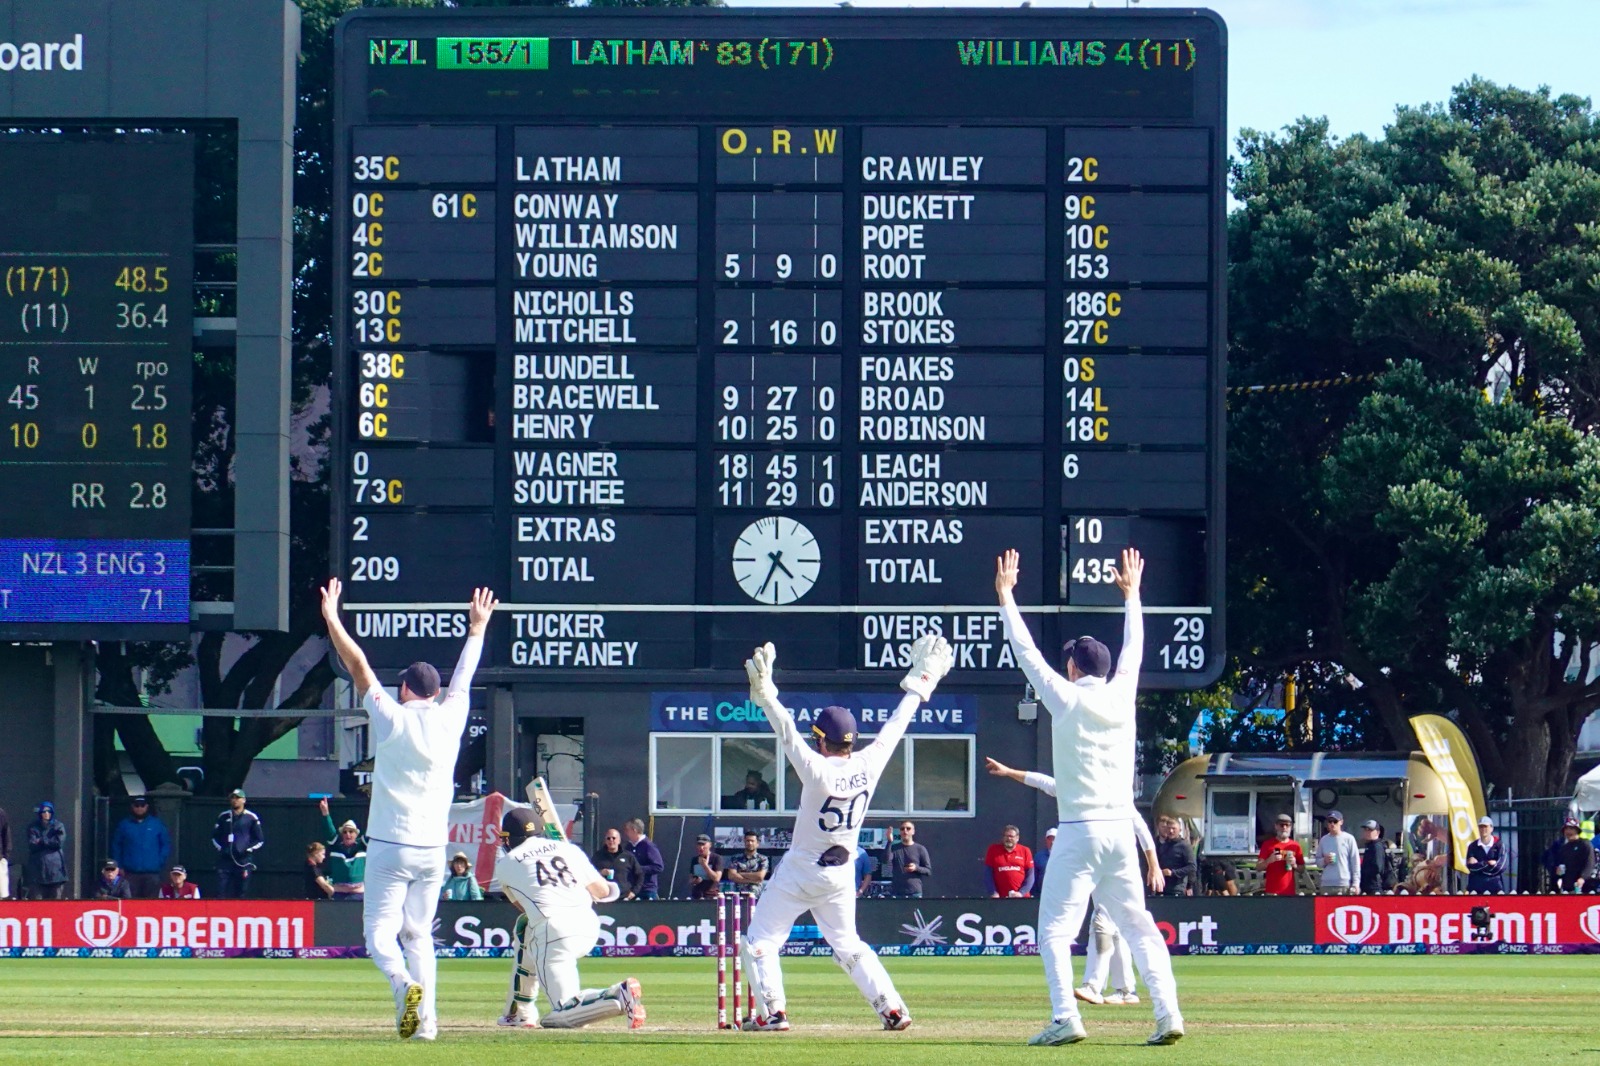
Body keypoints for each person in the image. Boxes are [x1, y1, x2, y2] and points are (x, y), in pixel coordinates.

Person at [996, 546, 1184, 1046]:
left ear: (1075, 669)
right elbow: (1135, 646)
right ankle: (1168, 1014)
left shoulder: (1066, 696)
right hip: (1121, 832)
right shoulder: (1123, 692)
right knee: (1140, 927)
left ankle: (1065, 1016)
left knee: (1054, 933)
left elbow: (1026, 652)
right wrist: (1134, 595)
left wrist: (1006, 597)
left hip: (1079, 831)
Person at [738, 634, 954, 1032]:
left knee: (758, 942)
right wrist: (921, 682)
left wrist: (767, 695)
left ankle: (773, 1013)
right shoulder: (869, 762)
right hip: (840, 874)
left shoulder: (817, 770)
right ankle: (893, 1009)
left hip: (800, 869)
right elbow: (896, 725)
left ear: (821, 740)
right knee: (849, 945)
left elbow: (787, 733)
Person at [321, 577, 497, 1042]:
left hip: (388, 847)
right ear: (434, 694)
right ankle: (428, 1025)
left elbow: (357, 665)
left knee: (379, 937)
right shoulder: (451, 716)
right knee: (420, 936)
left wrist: (333, 618)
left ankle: (402, 985)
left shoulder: (393, 718)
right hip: (432, 850)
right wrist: (476, 629)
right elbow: (465, 675)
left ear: (403, 690)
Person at [983, 757, 1161, 1010]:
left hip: (1117, 868)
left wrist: (1153, 865)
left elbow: (1141, 829)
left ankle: (1095, 986)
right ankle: (1124, 989)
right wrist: (1010, 770)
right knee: (1114, 928)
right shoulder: (1077, 790)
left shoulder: (1115, 797)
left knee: (1106, 924)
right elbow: (1042, 781)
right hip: (1103, 867)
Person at [495, 808, 645, 1030]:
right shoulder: (569, 850)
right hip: (588, 925)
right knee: (525, 931)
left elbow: (522, 906)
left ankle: (618, 994)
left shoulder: (506, 863)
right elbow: (603, 891)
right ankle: (518, 1012)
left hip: (553, 931)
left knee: (560, 1015)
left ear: (512, 838)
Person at [111, 796, 171, 899]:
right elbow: (116, 846)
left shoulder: (156, 824)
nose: (139, 808)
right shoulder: (124, 825)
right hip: (130, 873)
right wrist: (119, 866)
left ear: (147, 807)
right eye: (137, 805)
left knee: (151, 903)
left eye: (142, 805)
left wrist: (159, 862)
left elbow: (165, 845)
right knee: (130, 903)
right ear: (132, 807)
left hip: (152, 873)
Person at [211, 789, 264, 899]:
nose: (235, 800)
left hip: (243, 861)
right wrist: (222, 849)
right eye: (233, 798)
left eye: (238, 798)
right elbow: (215, 836)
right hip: (225, 860)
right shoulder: (223, 816)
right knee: (220, 890)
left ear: (243, 800)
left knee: (241, 891)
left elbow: (259, 839)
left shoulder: (251, 817)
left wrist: (247, 849)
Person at [319, 798, 368, 901]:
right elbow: (330, 831)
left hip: (359, 895)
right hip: (339, 895)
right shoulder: (336, 845)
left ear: (356, 834)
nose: (348, 834)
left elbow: (372, 830)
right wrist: (325, 813)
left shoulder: (362, 845)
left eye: (351, 831)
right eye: (345, 832)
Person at [26, 801, 67, 900]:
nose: (46, 814)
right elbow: (32, 844)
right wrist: (49, 841)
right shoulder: (33, 827)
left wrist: (41, 840)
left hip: (56, 873)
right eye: (44, 811)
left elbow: (58, 843)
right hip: (38, 872)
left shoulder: (58, 826)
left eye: (49, 811)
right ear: (40, 813)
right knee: (37, 903)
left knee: (55, 904)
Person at [591, 828, 643, 901]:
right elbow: (589, 875)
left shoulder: (628, 856)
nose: (611, 840)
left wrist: (634, 892)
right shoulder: (598, 856)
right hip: (605, 898)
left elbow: (640, 875)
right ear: (605, 841)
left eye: (614, 838)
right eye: (608, 838)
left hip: (624, 898)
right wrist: (600, 872)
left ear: (619, 840)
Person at [1315, 811, 1361, 895]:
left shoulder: (1349, 839)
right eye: (1330, 821)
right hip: (1326, 883)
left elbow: (1355, 863)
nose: (1332, 824)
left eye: (1335, 821)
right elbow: (1318, 862)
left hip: (1344, 884)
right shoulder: (1323, 840)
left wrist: (1356, 884)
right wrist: (1324, 860)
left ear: (1341, 822)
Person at [884, 820, 932, 898]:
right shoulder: (895, 848)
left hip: (914, 892)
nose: (905, 831)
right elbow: (885, 860)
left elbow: (928, 871)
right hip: (897, 892)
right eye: (902, 829)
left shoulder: (920, 849)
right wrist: (889, 841)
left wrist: (916, 868)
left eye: (908, 828)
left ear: (913, 831)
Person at [985, 825, 1036, 898]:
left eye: (1011, 836)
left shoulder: (1025, 851)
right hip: (999, 898)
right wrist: (993, 892)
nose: (1008, 838)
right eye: (1006, 836)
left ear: (1017, 838)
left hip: (1022, 898)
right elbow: (988, 874)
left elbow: (1030, 876)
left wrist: (1021, 893)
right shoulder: (993, 850)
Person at [1259, 814, 1303, 896]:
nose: (1284, 828)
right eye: (1281, 825)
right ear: (1276, 826)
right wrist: (1269, 860)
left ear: (1291, 827)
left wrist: (1294, 864)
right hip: (1271, 891)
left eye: (1287, 825)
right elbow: (1258, 867)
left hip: (1289, 891)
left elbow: (1302, 869)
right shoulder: (1267, 844)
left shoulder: (1295, 845)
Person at [621, 819, 665, 900]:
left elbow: (658, 867)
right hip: (631, 890)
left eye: (627, 830)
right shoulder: (628, 847)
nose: (625, 833)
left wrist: (638, 869)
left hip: (647, 891)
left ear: (634, 830)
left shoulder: (648, 846)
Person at [1153, 816, 1196, 897]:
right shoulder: (1163, 845)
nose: (1171, 831)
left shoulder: (1184, 845)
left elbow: (1192, 867)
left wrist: (1172, 873)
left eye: (1174, 828)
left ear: (1179, 830)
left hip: (1176, 889)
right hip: (1161, 888)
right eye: (1169, 828)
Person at [1550, 816, 1594, 893]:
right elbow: (1560, 866)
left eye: (1571, 829)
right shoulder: (1564, 848)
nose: (1568, 831)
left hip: (1584, 887)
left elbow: (1590, 863)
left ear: (1577, 830)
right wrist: (1558, 871)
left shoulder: (1585, 844)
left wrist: (1582, 878)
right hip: (1568, 888)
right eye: (1566, 829)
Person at [1465, 816, 1505, 894]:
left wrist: (1478, 865)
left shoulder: (1499, 844)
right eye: (1481, 827)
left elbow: (1501, 867)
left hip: (1495, 887)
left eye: (1485, 826)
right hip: (1475, 888)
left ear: (1491, 828)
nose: (1483, 829)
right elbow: (1471, 868)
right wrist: (1488, 863)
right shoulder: (1472, 846)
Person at [725, 831, 770, 898]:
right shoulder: (736, 858)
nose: (750, 843)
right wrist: (752, 880)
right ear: (744, 842)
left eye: (752, 841)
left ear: (757, 843)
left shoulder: (763, 859)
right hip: (739, 897)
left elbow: (760, 876)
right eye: (747, 841)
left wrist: (739, 873)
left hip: (756, 897)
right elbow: (731, 876)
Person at [1358, 819, 1397, 895]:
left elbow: (1378, 867)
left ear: (1378, 832)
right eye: (1366, 830)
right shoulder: (1370, 845)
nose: (1367, 832)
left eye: (1370, 830)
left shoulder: (1377, 846)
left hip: (1374, 886)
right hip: (1368, 886)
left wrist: (1363, 870)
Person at [686, 834, 724, 899]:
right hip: (697, 895)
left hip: (712, 895)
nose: (701, 847)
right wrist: (694, 881)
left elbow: (716, 878)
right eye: (699, 844)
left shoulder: (717, 858)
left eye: (703, 844)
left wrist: (705, 865)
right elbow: (690, 879)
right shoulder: (694, 860)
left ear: (710, 845)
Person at [0, 801, 10, 900]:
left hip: (0, 858)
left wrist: (5, 855)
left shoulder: (1, 813)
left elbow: (6, 834)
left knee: (1, 893)